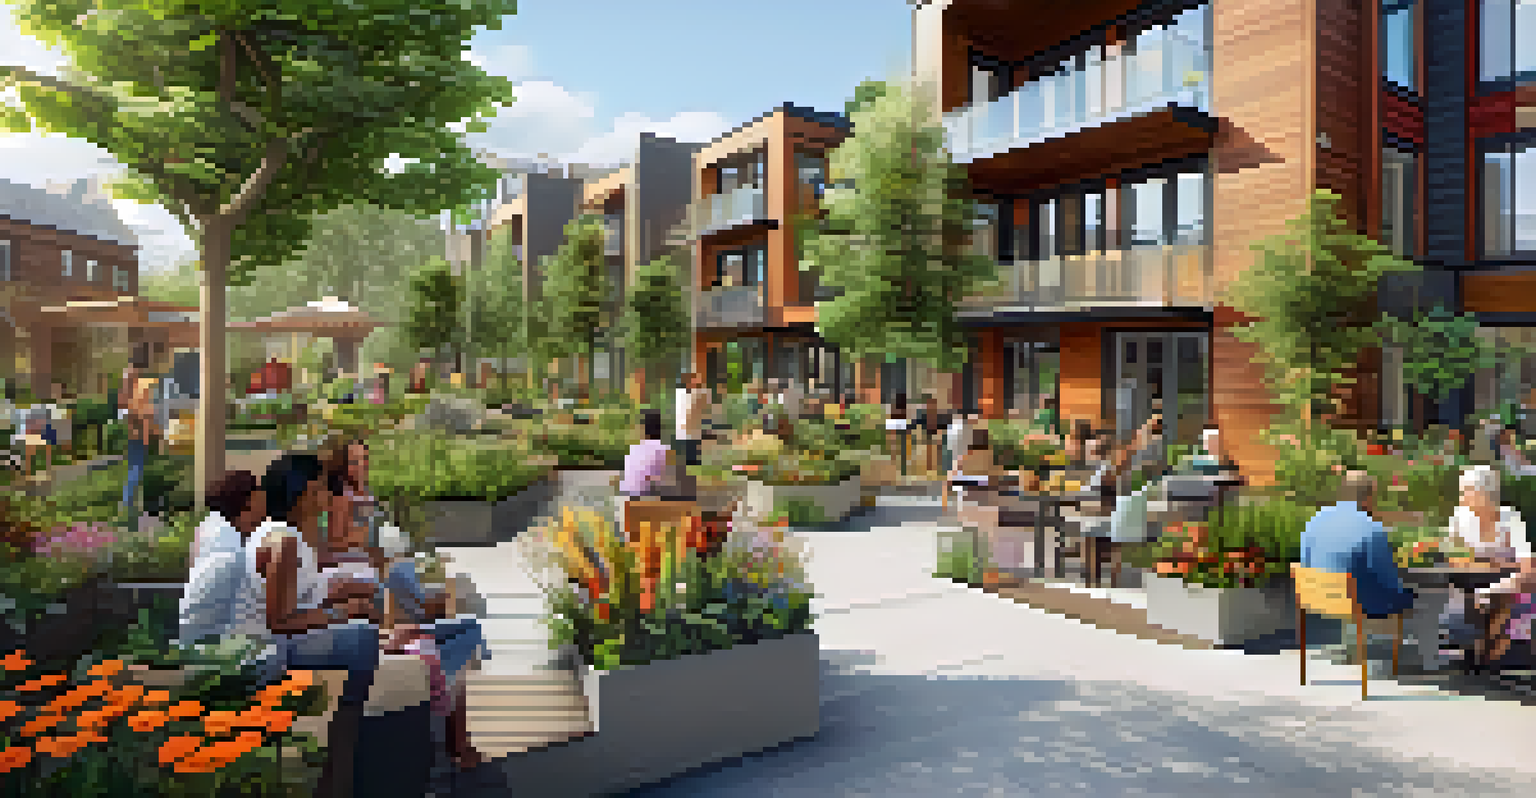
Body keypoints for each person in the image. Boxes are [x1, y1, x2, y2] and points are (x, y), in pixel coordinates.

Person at [247, 453, 382, 798]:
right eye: (322, 485)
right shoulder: (283, 542)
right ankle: (342, 759)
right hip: (270, 649)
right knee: (361, 640)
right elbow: (277, 621)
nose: (328, 492)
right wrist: (341, 614)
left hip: (283, 640)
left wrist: (347, 605)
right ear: (306, 491)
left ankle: (345, 753)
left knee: (364, 624)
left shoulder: (287, 536)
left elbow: (305, 600)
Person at [1299, 471, 1416, 620]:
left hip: (1317, 604)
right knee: (1409, 597)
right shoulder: (1371, 529)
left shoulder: (1315, 520)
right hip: (1356, 607)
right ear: (1368, 498)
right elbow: (1388, 581)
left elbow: (1305, 564)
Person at [179, 470, 267, 646]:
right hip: (218, 645)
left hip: (197, 637)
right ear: (248, 504)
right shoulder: (230, 547)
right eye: (262, 502)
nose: (265, 511)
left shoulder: (210, 529)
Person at [120, 344, 159, 512]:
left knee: (134, 466)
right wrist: (145, 429)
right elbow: (139, 407)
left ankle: (130, 503)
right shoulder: (137, 379)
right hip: (138, 425)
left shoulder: (129, 374)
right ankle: (129, 505)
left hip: (134, 424)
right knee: (137, 466)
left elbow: (125, 404)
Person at [619, 410, 683, 499]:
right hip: (645, 497)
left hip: (626, 495)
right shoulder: (663, 449)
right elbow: (667, 479)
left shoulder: (633, 448)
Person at [674, 373, 708, 469]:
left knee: (693, 459)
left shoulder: (695, 395)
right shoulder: (682, 394)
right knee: (685, 459)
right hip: (685, 431)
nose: (697, 384)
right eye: (695, 381)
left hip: (693, 432)